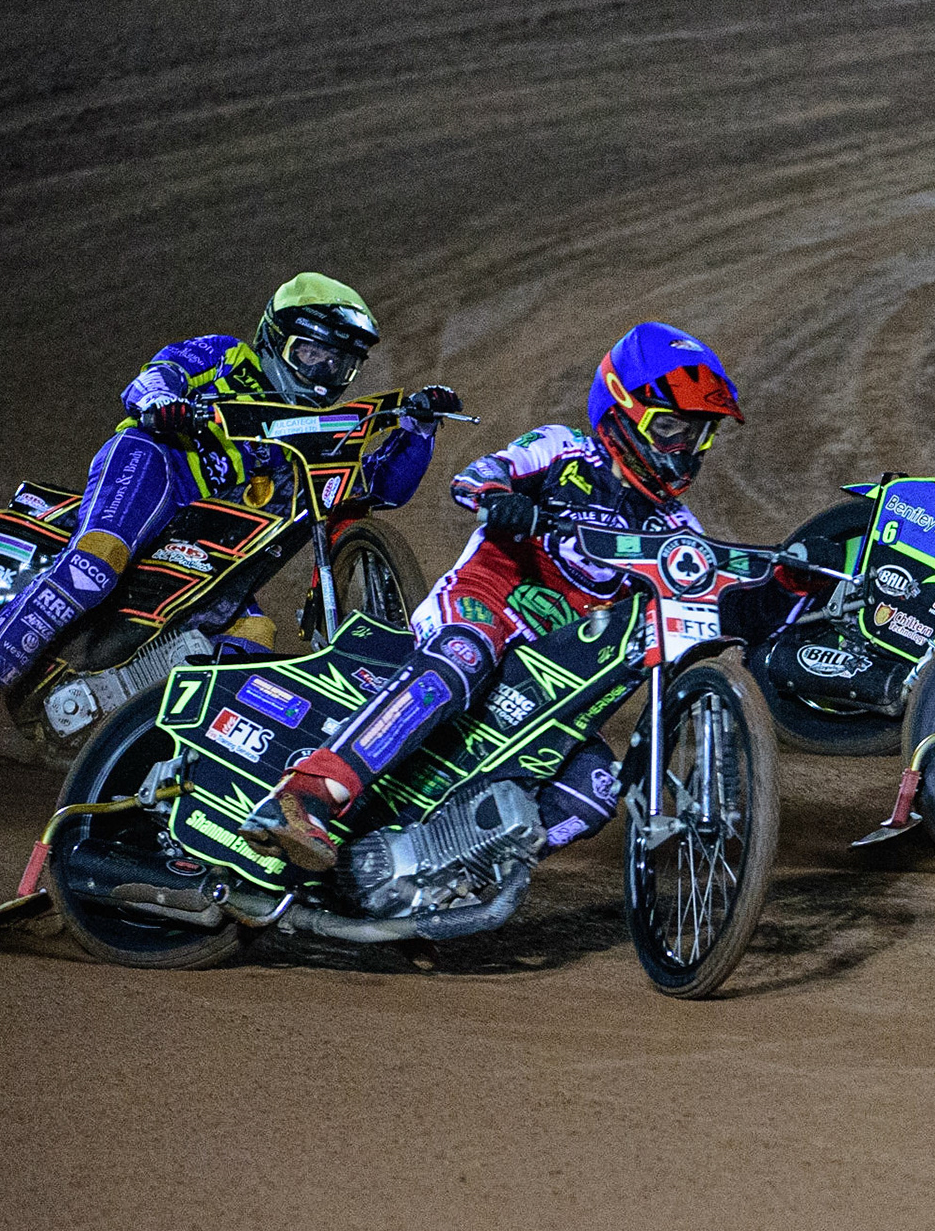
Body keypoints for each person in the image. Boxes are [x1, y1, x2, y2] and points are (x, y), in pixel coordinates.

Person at [240, 321, 743, 871]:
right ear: (623, 410)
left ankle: (435, 872)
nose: (684, 448)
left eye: (697, 434)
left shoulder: (679, 530)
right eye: (670, 427)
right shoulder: (563, 449)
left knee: (595, 787)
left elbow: (709, 598)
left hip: (552, 676)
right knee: (467, 653)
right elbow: (478, 476)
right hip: (482, 611)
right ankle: (305, 794)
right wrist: (503, 498)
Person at [0, 273, 453, 740]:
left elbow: (381, 489)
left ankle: (176, 758)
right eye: (312, 354)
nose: (324, 373)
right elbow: (157, 374)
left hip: (208, 534)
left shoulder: (315, 432)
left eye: (341, 363)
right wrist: (162, 402)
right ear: (276, 339)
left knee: (255, 633)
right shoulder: (227, 354)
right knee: (97, 564)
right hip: (158, 462)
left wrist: (420, 429)